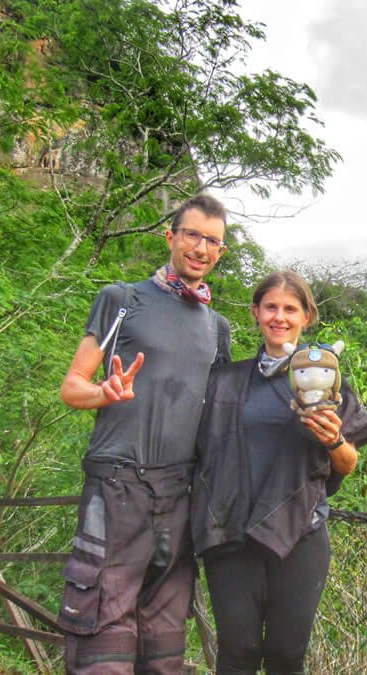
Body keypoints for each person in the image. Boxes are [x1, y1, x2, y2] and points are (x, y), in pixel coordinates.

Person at [57, 194, 232, 673]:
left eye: (212, 241)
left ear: (220, 252)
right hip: (118, 482)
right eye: (192, 234)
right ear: (170, 236)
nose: (200, 247)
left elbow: (217, 419)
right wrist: (105, 394)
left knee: (163, 634)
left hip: (179, 491)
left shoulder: (218, 328)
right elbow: (72, 386)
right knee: (103, 623)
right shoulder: (122, 300)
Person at [192, 271, 367, 674]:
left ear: (306, 317)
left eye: (290, 309)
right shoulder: (226, 380)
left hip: (300, 534)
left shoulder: (326, 379)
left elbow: (348, 462)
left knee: (285, 655)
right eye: (271, 307)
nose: (280, 316)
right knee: (237, 652)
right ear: (256, 312)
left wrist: (333, 440)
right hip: (231, 533)